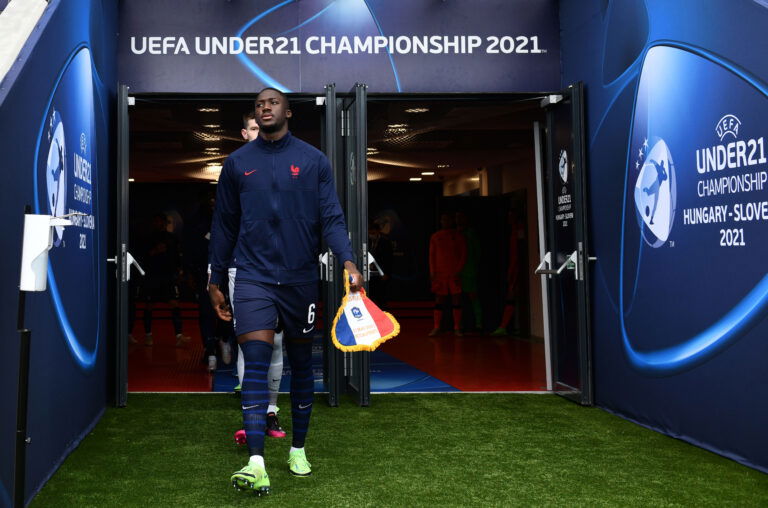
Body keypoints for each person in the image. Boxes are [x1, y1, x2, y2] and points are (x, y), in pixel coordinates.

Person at [208, 88, 363, 495]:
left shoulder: (313, 161)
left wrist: (346, 258)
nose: (265, 107)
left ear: (288, 112)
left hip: (300, 279)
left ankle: (298, 448)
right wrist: (215, 279)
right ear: (255, 116)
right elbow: (224, 226)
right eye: (259, 104)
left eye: (272, 102)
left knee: (299, 363)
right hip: (254, 276)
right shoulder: (238, 163)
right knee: (255, 363)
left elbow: (330, 215)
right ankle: (256, 461)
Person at [232, 110, 286, 439]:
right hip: (243, 267)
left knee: (278, 343)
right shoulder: (236, 169)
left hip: (281, 270)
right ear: (245, 132)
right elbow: (223, 225)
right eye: (253, 127)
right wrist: (216, 270)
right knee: (249, 345)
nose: (260, 131)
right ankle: (250, 416)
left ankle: (272, 414)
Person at [140, 212, 190, 346]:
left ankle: (179, 336)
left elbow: (177, 256)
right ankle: (148, 335)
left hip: (168, 277)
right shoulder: (148, 238)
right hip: (153, 276)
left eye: (160, 221)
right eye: (155, 221)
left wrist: (179, 271)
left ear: (164, 222)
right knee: (149, 305)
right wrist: (155, 251)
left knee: (175, 304)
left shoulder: (172, 238)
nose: (157, 223)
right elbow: (143, 258)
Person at [428, 212, 467, 337]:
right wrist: (433, 272)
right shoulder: (435, 236)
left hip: (454, 273)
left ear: (451, 221)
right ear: (441, 221)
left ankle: (457, 327)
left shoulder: (458, 236)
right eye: (443, 219)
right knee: (439, 300)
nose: (445, 222)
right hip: (440, 274)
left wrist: (458, 270)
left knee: (456, 299)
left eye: (447, 219)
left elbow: (463, 255)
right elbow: (432, 255)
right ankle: (437, 327)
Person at [491, 210, 523, 336]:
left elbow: (518, 253)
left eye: (511, 216)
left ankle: (504, 326)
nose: (509, 219)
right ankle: (506, 326)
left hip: (517, 269)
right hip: (513, 267)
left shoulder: (519, 231)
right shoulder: (513, 231)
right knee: (512, 296)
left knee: (512, 295)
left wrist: (513, 269)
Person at [455, 211, 483, 331]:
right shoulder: (454, 234)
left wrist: (474, 266)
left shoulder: (471, 234)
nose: (459, 220)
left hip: (469, 270)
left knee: (473, 296)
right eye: (457, 218)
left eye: (461, 217)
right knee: (457, 299)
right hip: (455, 271)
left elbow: (477, 252)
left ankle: (479, 323)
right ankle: (459, 325)